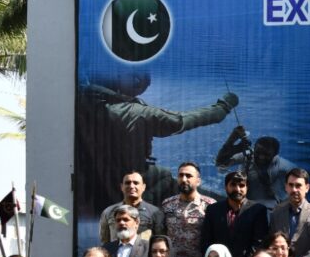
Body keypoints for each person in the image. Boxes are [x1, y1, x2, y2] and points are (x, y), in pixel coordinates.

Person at [74, 73, 236, 213]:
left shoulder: (79, 102)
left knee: (160, 173)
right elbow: (182, 121)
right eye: (138, 78)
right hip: (121, 191)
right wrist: (224, 106)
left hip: (94, 183)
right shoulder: (137, 114)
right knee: (165, 176)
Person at [199, 170, 270, 257]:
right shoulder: (213, 210)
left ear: (247, 188)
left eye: (242, 185)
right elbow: (206, 241)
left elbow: (259, 243)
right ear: (225, 187)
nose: (237, 189)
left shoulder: (258, 210)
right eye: (233, 185)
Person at [216, 127, 297, 210]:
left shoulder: (286, 168)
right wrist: (232, 141)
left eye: (266, 154)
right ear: (254, 149)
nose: (261, 157)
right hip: (244, 206)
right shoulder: (247, 157)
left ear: (275, 154)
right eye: (258, 152)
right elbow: (220, 163)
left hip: (273, 209)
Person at [161, 162, 216, 257]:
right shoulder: (167, 205)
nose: (184, 179)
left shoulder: (210, 206)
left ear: (198, 181)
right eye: (181, 175)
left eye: (189, 176)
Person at [269, 168, 310, 257]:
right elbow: (271, 243)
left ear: (307, 188)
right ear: (286, 187)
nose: (294, 189)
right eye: (291, 185)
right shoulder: (276, 212)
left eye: (298, 185)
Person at [98, 170, 166, 243]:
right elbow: (105, 241)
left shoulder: (155, 213)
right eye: (127, 183)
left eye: (136, 183)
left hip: (143, 254)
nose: (131, 186)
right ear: (122, 187)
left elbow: (159, 242)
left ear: (143, 187)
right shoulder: (108, 212)